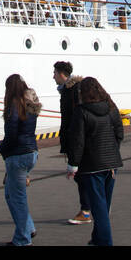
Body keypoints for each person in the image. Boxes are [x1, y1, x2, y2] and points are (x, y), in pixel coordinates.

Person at [65, 76, 124, 246]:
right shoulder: (111, 108)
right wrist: (113, 150)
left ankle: (105, 242)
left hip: (92, 166)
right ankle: (98, 239)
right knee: (103, 208)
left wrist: (73, 165)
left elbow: (78, 141)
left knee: (99, 210)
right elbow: (119, 132)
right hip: (112, 165)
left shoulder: (82, 111)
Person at [0, 73, 42, 245]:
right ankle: (28, 229)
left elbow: (12, 133)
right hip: (31, 152)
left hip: (18, 155)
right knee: (10, 194)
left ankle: (23, 238)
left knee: (17, 198)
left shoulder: (14, 105)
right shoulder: (30, 105)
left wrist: (2, 149)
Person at [53, 61, 91, 225]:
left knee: (81, 175)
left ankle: (86, 210)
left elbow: (74, 119)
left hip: (77, 140)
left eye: (54, 73)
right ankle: (91, 207)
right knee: (81, 176)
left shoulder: (72, 91)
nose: (53, 76)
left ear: (62, 74)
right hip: (74, 139)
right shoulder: (68, 91)